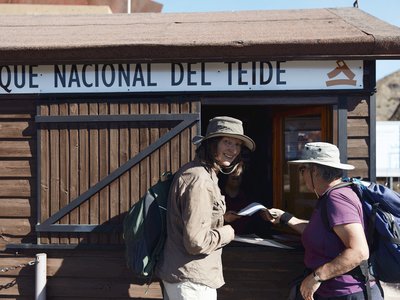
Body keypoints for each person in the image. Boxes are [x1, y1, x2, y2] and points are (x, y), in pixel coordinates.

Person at [264, 142, 383, 300]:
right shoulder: (330, 195)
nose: (301, 175)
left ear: (314, 171)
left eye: (302, 169)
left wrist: (317, 277)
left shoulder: (337, 198)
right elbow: (322, 233)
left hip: (348, 293)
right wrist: (286, 218)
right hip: (339, 292)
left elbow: (359, 252)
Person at [156, 116, 256, 300]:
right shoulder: (200, 179)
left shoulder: (200, 173)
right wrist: (227, 232)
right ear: (212, 144)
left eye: (237, 144)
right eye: (227, 142)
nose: (233, 150)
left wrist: (222, 218)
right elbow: (196, 242)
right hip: (192, 281)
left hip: (187, 277)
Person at [222, 171, 272, 237]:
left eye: (239, 173)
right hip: (224, 239)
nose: (236, 175)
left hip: (247, 240)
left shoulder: (249, 197)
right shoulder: (218, 196)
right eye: (233, 172)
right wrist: (224, 219)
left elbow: (257, 222)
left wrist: (264, 216)